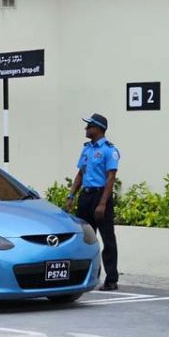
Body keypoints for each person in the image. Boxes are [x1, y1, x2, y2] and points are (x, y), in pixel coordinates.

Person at [65, 113, 120, 291]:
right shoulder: (87, 149)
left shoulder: (109, 150)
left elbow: (110, 178)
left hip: (100, 196)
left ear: (98, 128)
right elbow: (80, 174)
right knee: (85, 238)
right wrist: (71, 196)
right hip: (86, 197)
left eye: (89, 126)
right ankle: (83, 276)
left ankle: (111, 279)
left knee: (107, 239)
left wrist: (103, 204)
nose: (86, 129)